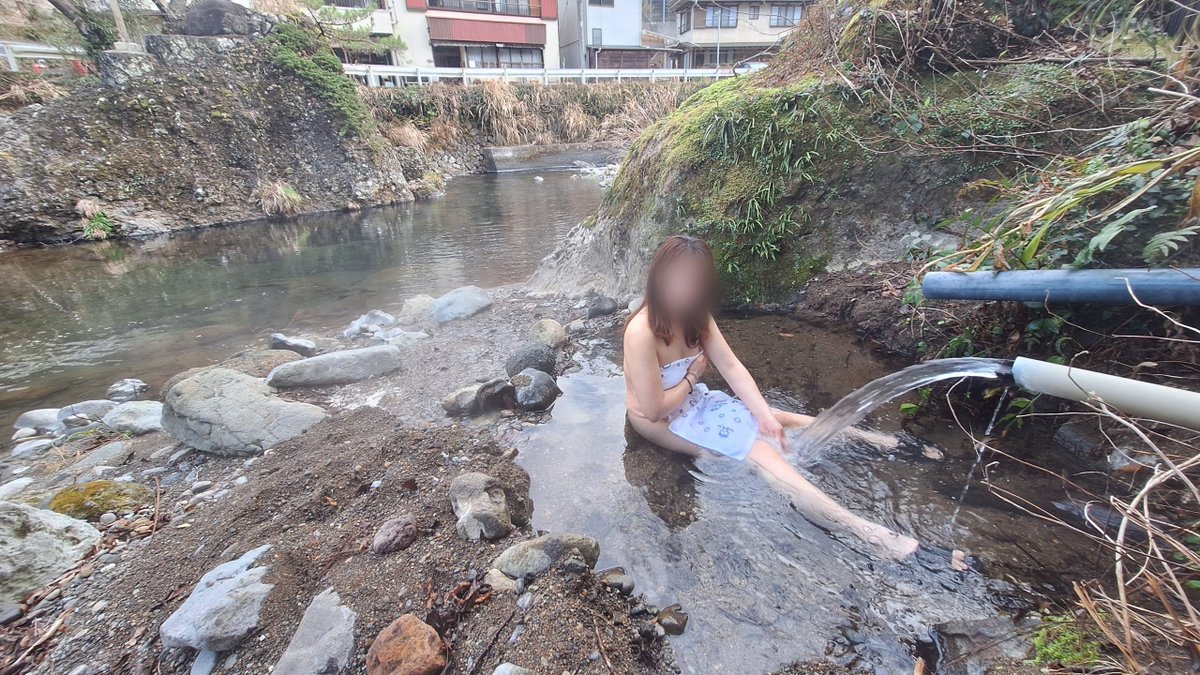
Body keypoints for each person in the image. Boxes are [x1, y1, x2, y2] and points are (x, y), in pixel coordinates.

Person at [623, 235, 970, 570]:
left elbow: (732, 368)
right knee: (762, 454)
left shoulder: (697, 316)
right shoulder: (641, 332)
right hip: (662, 421)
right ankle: (877, 538)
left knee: (778, 418)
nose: (686, 291)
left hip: (693, 400)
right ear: (659, 277)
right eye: (678, 280)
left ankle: (882, 443)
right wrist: (692, 376)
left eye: (695, 282)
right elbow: (654, 410)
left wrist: (763, 415)